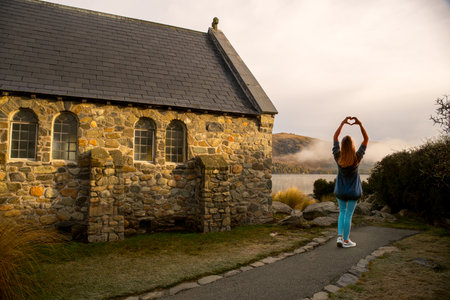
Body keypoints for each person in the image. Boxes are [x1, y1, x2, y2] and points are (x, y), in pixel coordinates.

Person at [333, 116, 369, 248]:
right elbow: (366, 139)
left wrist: (342, 123)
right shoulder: (357, 158)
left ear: (343, 146)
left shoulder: (338, 156)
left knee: (342, 212)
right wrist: (359, 124)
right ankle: (346, 240)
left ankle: (339, 238)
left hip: (341, 190)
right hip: (353, 191)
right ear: (353, 146)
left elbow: (335, 138)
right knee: (348, 214)